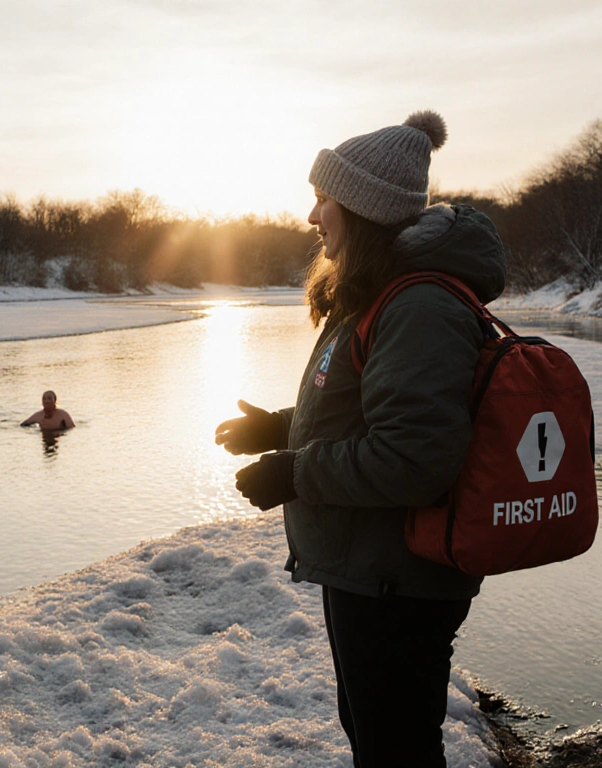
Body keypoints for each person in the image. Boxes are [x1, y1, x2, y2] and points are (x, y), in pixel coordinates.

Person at [214, 110, 505, 767]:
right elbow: (364, 412)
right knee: (378, 737)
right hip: (371, 571)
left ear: (362, 209)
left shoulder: (417, 307)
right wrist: (281, 426)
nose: (313, 216)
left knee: (395, 750)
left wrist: (295, 471)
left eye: (324, 199)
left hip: (397, 579)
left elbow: (414, 456)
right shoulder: (378, 298)